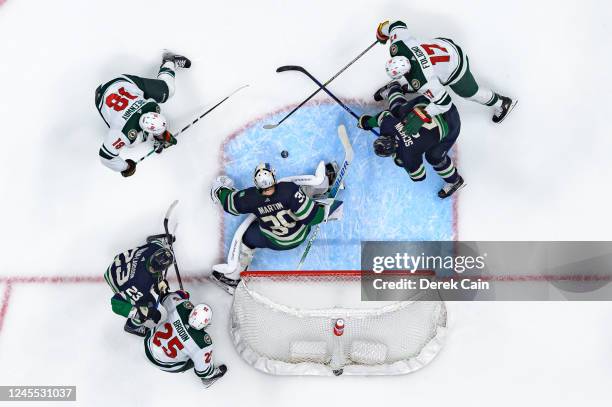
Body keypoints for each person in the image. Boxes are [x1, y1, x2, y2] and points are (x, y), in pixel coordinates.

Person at [209, 161, 342, 293]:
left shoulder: (250, 197)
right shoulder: (289, 189)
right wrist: (323, 210)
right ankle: (325, 184)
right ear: (273, 175)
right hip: (299, 235)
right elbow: (313, 218)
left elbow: (230, 204)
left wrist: (221, 190)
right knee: (303, 193)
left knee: (247, 238)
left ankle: (235, 275)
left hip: (275, 241)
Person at [375, 20, 516, 126]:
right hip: (445, 45)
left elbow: (444, 103)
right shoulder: (398, 45)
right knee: (415, 84)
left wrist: (424, 115)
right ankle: (398, 87)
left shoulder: (423, 80)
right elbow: (396, 24)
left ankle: (502, 103)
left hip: (456, 66)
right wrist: (382, 31)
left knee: (470, 93)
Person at [359, 83, 465, 198]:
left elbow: (419, 176)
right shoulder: (387, 125)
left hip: (452, 122)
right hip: (435, 101)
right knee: (397, 112)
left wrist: (400, 160)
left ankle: (455, 181)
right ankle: (394, 88)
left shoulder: (407, 155)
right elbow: (382, 116)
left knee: (434, 157)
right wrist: (366, 122)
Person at [95, 51, 191, 177]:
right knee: (133, 142)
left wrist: (126, 167)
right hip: (101, 96)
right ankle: (169, 60)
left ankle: (169, 62)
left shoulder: (152, 106)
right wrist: (125, 167)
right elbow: (105, 157)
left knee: (168, 91)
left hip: (123, 83)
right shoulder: (123, 133)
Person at [144, 290, 227, 388]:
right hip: (164, 364)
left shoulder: (181, 307)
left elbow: (166, 297)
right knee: (197, 357)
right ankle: (209, 379)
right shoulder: (202, 343)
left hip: (148, 345)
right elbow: (203, 371)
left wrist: (182, 296)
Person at [104, 235, 174, 336]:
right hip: (114, 279)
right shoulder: (140, 285)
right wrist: (141, 312)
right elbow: (116, 303)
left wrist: (159, 281)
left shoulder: (155, 247)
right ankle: (132, 326)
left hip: (118, 264)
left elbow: (153, 240)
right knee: (149, 304)